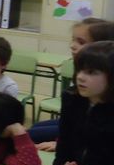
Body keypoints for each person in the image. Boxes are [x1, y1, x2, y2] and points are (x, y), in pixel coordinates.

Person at [41, 41, 114, 165]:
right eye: (80, 70)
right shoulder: (72, 99)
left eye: (91, 73)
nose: (80, 77)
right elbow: (64, 140)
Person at [30, 18, 114, 148]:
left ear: (100, 47)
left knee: (32, 134)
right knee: (35, 127)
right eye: (73, 39)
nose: (72, 45)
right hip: (80, 119)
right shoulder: (79, 70)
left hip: (90, 124)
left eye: (80, 42)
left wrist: (58, 143)